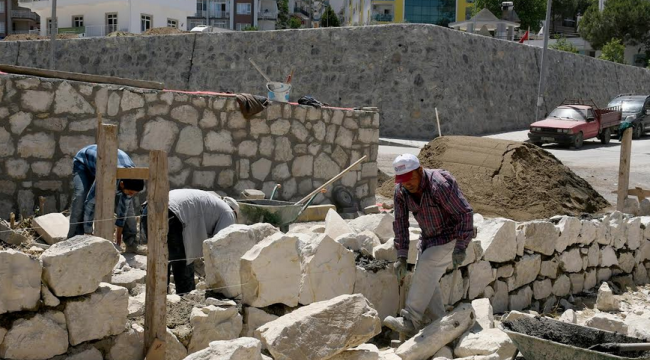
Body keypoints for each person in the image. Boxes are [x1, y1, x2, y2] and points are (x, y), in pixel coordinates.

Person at [383, 153, 473, 336]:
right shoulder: (401, 191)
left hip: (453, 235)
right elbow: (400, 223)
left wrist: (461, 246)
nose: (407, 183)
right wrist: (401, 256)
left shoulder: (439, 185)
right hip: (430, 238)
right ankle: (439, 328)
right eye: (403, 179)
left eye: (410, 178)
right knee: (425, 280)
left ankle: (411, 320)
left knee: (426, 266)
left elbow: (465, 214)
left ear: (420, 171)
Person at [141, 189, 239, 294]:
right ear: (234, 212)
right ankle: (186, 300)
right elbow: (220, 246)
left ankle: (158, 299)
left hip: (149, 209)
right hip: (173, 214)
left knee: (160, 259)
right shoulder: (228, 213)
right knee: (183, 260)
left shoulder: (213, 204)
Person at [67, 144, 145, 254]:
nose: (131, 195)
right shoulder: (107, 177)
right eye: (131, 192)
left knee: (129, 210)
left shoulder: (131, 178)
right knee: (80, 197)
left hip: (103, 165)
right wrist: (88, 232)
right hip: (84, 162)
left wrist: (118, 240)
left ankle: (131, 243)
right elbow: (90, 203)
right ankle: (74, 241)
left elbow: (124, 209)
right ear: (121, 184)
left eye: (134, 193)